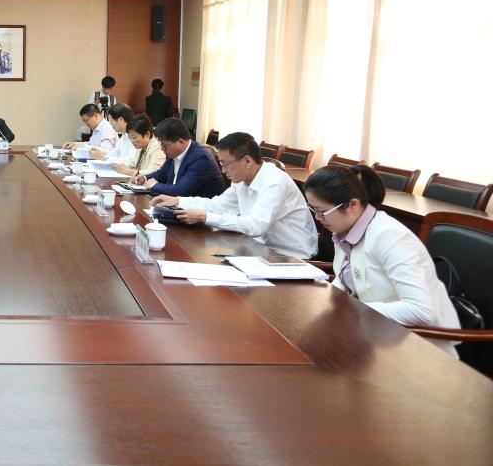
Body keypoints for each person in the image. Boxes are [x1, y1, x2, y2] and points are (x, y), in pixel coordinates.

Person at [304, 164, 461, 356]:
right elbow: (348, 278)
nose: (317, 218)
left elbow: (420, 310)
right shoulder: (344, 228)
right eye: (313, 209)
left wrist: (354, 312)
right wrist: (327, 303)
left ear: (352, 204)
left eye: (322, 211)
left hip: (419, 349)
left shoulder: (389, 236)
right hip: (374, 337)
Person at [149, 132, 317, 258]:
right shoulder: (241, 180)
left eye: (225, 164)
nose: (223, 170)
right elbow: (217, 205)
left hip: (292, 258)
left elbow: (256, 226)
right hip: (259, 250)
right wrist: (177, 201)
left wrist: (206, 217)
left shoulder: (274, 182)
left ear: (247, 161)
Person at [131, 117, 225, 198]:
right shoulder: (173, 153)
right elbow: (161, 174)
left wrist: (154, 185)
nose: (162, 149)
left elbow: (181, 191)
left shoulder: (201, 159)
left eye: (165, 145)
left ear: (181, 142)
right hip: (178, 206)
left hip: (199, 210)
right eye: (161, 145)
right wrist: (144, 178)